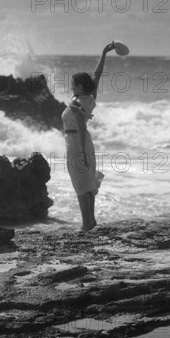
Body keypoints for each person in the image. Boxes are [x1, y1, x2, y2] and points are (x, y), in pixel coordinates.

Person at [62, 42, 115, 231]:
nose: (71, 87)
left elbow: (82, 128)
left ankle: (87, 224)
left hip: (78, 143)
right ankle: (90, 221)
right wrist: (104, 53)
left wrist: (83, 153)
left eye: (73, 84)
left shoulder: (78, 105)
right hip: (82, 142)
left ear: (80, 86)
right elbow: (97, 75)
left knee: (81, 184)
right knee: (87, 182)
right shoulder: (89, 98)